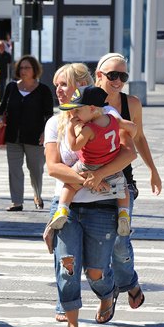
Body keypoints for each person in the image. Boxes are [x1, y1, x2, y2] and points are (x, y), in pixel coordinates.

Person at [44, 81, 138, 327]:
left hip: (101, 203)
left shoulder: (106, 117)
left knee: (96, 271)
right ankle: (72, 325)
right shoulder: (56, 123)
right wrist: (85, 178)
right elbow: (53, 167)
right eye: (58, 86)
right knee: (68, 265)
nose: (61, 92)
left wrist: (98, 175)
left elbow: (130, 151)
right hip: (69, 205)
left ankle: (107, 292)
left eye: (66, 85)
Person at [96, 52, 162, 309]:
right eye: (113, 75)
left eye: (122, 76)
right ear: (100, 74)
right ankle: (107, 292)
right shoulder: (88, 99)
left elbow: (140, 138)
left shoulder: (131, 103)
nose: (118, 81)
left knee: (120, 242)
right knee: (95, 246)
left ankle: (129, 283)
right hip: (89, 179)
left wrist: (153, 170)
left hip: (122, 180)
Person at [49, 85, 136, 236]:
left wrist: (70, 128)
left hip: (87, 165)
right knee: (123, 189)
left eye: (77, 110)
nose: (74, 113)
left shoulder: (88, 129)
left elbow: (75, 146)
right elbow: (132, 127)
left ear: (92, 108)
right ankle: (124, 214)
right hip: (110, 164)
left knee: (69, 185)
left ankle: (62, 209)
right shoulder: (113, 120)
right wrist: (132, 133)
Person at [0, 55, 54, 211]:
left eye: (27, 67)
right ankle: (17, 201)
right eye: (21, 68)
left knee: (35, 170)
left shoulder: (43, 90)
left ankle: (37, 194)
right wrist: (0, 119)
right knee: (14, 169)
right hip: (13, 136)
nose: (23, 71)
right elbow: (2, 109)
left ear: (35, 70)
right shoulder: (11, 87)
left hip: (35, 137)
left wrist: (45, 133)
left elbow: (49, 115)